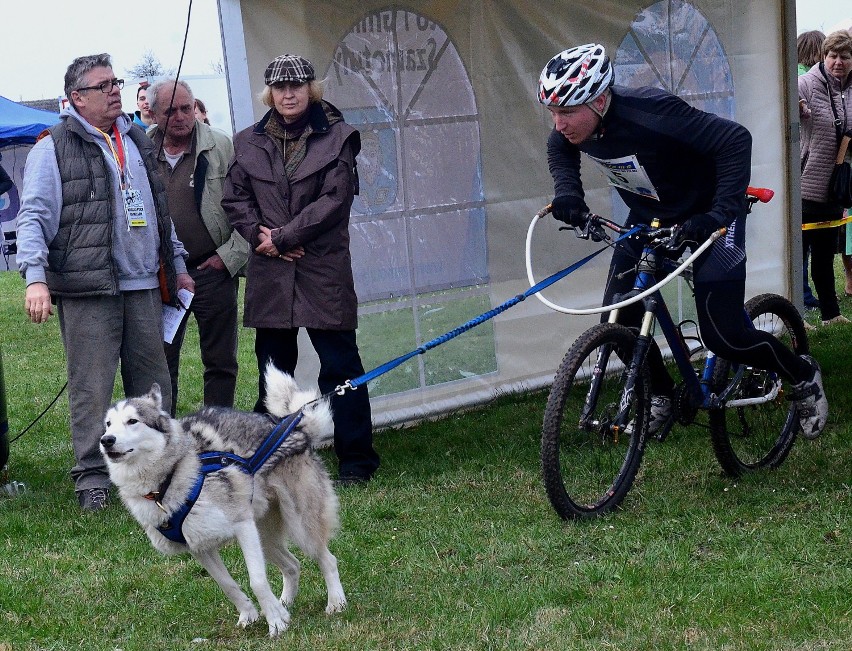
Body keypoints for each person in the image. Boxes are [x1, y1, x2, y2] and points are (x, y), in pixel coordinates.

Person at [538, 43, 828, 440]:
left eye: (567, 112)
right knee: (617, 316)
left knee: (724, 336)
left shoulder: (652, 113)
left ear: (601, 99)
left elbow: (734, 140)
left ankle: (802, 374)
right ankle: (661, 396)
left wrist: (717, 214)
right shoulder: (578, 127)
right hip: (649, 218)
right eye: (552, 112)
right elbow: (560, 147)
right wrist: (569, 192)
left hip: (710, 215)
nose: (558, 123)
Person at [15, 53, 194, 512]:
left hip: (144, 285)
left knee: (153, 383)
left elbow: (159, 212)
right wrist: (35, 279)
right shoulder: (50, 148)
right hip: (87, 287)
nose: (115, 90)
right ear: (77, 98)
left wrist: (176, 263)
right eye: (103, 85)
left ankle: (162, 470)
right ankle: (92, 478)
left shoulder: (136, 139)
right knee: (91, 387)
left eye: (116, 82)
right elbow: (32, 217)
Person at [222, 53, 380, 484]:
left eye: (296, 85)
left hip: (321, 268)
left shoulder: (341, 137)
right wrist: (260, 237)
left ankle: (357, 460)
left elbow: (335, 199)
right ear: (268, 93)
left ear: (312, 88)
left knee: (341, 366)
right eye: (279, 86)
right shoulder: (247, 141)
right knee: (274, 369)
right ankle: (270, 458)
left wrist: (284, 237)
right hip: (270, 273)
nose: (288, 93)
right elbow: (234, 198)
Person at [147, 78, 248, 414]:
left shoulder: (222, 147)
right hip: (162, 276)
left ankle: (216, 434)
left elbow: (251, 207)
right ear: (152, 113)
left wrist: (227, 257)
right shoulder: (140, 151)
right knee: (160, 363)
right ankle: (163, 438)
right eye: (170, 110)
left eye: (186, 108)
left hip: (211, 269)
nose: (180, 116)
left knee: (220, 360)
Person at [798, 31, 852, 326]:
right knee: (798, 254)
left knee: (823, 254)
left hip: (836, 187)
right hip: (806, 184)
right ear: (823, 57)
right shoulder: (808, 82)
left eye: (845, 57)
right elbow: (787, 95)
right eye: (833, 56)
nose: (838, 62)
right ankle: (796, 315)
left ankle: (831, 314)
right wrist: (798, 107)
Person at [796, 30, 825, 311]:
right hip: (806, 168)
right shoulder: (806, 78)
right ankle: (803, 295)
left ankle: (805, 293)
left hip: (803, 168)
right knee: (804, 240)